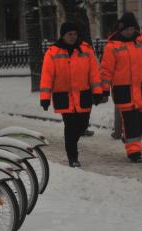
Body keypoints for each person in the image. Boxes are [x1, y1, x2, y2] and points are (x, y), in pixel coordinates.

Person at [40, 22, 108, 168]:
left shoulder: (86, 50)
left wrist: (98, 92)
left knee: (82, 124)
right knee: (70, 127)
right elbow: (47, 76)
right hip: (64, 97)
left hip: (84, 96)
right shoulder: (52, 52)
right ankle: (73, 157)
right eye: (69, 34)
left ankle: (71, 144)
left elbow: (94, 73)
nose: (72, 37)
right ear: (63, 35)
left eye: (75, 34)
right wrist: (45, 98)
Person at [100, 12, 142, 163]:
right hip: (124, 91)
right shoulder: (112, 46)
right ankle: (134, 153)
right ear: (120, 30)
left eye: (131, 29)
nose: (129, 32)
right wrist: (104, 90)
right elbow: (106, 71)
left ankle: (128, 137)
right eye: (126, 30)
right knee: (131, 122)